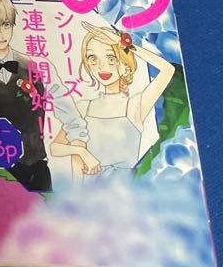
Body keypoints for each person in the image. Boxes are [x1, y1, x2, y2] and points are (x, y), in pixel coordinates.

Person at [0, 0, 88, 192]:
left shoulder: (37, 66)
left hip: (36, 167)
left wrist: (79, 142)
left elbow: (66, 107)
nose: (0, 34)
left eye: (6, 24)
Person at [50, 23, 174, 180]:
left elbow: (168, 69)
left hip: (123, 190)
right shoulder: (83, 107)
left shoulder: (135, 106)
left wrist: (122, 43)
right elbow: (55, 147)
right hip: (84, 190)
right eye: (92, 58)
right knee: (77, 145)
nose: (101, 66)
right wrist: (81, 152)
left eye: (111, 58)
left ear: (126, 66)